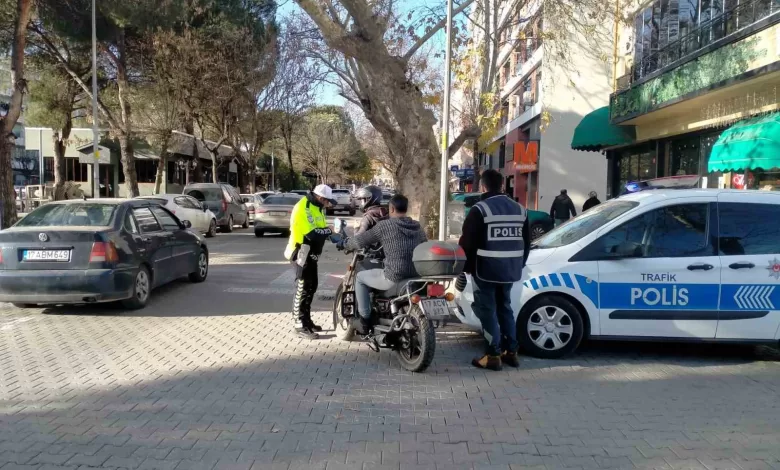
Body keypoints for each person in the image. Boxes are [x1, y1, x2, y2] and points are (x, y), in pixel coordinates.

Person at [459, 169, 530, 371]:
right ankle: (511, 352)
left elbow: (467, 243)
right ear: (502, 185)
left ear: (483, 186)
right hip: (510, 270)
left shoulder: (480, 210)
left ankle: (492, 355)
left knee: (487, 310)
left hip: (485, 270)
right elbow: (527, 241)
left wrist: (466, 268)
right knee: (505, 307)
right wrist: (519, 264)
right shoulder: (520, 209)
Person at [337, 195, 427, 334]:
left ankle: (365, 320)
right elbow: (424, 245)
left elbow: (360, 241)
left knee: (360, 278)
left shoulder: (384, 226)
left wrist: (344, 244)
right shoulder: (417, 226)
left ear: (391, 208)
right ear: (406, 209)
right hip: (415, 275)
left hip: (394, 276)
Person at [284, 184, 335, 340]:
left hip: (311, 254)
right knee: (303, 287)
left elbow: (321, 228)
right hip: (300, 253)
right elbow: (313, 233)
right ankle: (299, 324)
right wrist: (330, 231)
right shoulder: (303, 207)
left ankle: (306, 320)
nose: (328, 204)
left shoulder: (317, 207)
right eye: (327, 201)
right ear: (320, 198)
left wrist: (334, 236)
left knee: (312, 287)